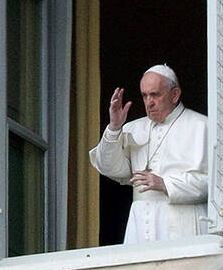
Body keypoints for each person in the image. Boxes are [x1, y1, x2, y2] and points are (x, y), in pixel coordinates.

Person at [89, 65, 209, 243]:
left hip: (185, 220)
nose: (149, 102)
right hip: (140, 221)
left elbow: (212, 184)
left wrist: (165, 183)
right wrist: (114, 128)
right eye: (145, 96)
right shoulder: (132, 128)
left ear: (174, 95)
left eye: (155, 94)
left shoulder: (202, 126)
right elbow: (109, 168)